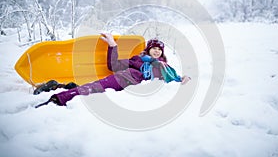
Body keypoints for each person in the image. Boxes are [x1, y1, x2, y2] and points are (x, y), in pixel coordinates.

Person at [35, 33, 191, 108]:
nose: (156, 51)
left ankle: (64, 87)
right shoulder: (136, 60)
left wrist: (184, 79)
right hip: (123, 79)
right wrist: (112, 46)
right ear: (148, 50)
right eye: (154, 49)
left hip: (130, 95)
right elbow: (114, 65)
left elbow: (176, 78)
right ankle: (58, 99)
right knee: (91, 88)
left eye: (159, 50)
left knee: (91, 94)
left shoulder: (164, 68)